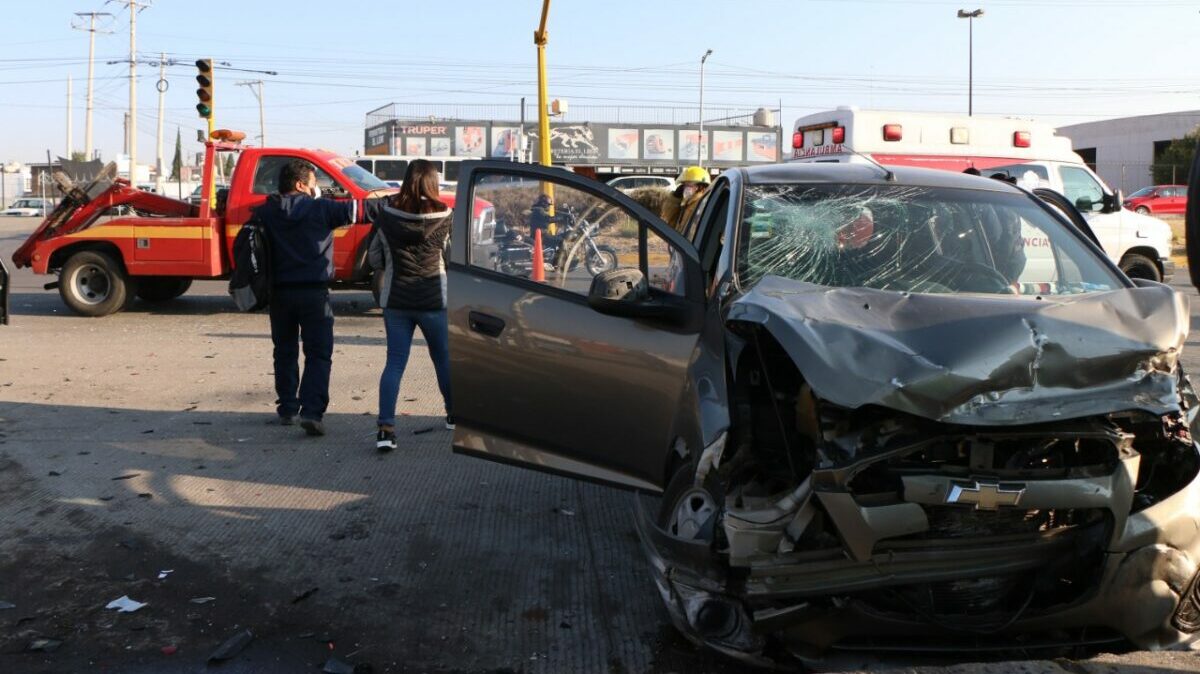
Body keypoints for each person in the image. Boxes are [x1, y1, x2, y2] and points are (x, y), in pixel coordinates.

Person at [257, 159, 356, 436]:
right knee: (318, 354)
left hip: (279, 294)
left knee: (284, 351)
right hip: (313, 293)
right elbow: (363, 211)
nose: (318, 189)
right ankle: (312, 412)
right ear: (301, 185)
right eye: (315, 184)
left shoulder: (265, 211)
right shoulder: (321, 208)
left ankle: (288, 407)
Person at [366, 159, 454, 452]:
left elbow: (375, 258)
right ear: (432, 182)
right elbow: (452, 258)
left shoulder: (386, 215)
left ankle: (386, 430)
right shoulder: (446, 216)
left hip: (396, 300)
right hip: (434, 300)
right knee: (442, 359)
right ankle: (454, 414)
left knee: (394, 363)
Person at [663, 166, 711, 232]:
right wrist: (675, 199)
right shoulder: (687, 202)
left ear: (700, 186)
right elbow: (670, 220)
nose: (685, 188)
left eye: (688, 184)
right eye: (684, 185)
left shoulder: (702, 204)